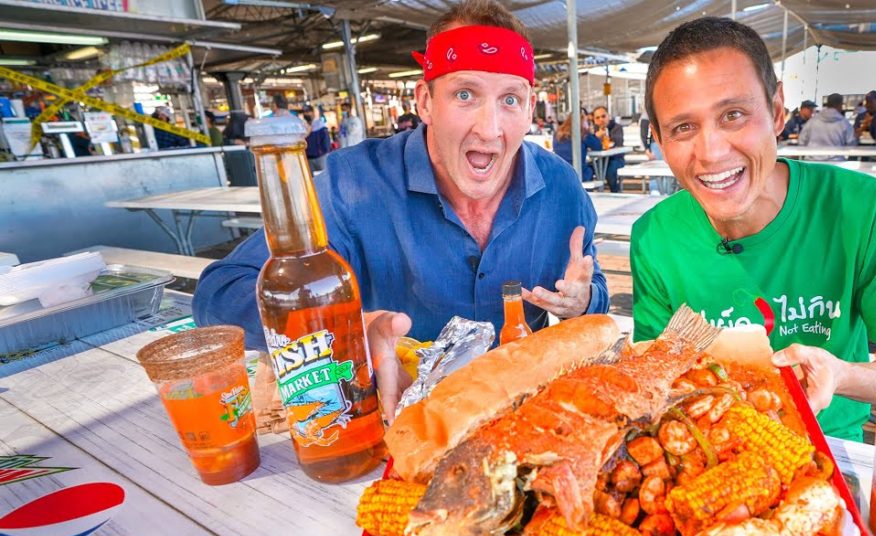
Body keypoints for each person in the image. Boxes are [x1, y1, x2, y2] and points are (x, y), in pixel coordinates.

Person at [193, 0, 609, 412]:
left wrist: (582, 301)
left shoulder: (561, 188)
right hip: (397, 420)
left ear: (531, 107)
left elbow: (595, 293)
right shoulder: (354, 184)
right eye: (465, 94)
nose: (490, 128)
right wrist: (348, 330)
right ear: (425, 101)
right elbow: (220, 293)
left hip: (526, 415)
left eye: (510, 100)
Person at [631, 17, 876, 442]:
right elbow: (655, 372)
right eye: (683, 128)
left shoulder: (863, 209)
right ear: (659, 139)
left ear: (777, 111)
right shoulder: (654, 235)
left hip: (829, 443)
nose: (711, 152)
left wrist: (841, 374)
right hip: (706, 447)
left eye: (733, 115)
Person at [798, 93, 857, 157]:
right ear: (840, 105)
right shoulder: (844, 123)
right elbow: (851, 144)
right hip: (835, 163)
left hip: (812, 162)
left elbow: (801, 141)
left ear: (827, 104)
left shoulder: (812, 122)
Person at [552, 110, 601, 181]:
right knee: (593, 168)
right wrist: (591, 133)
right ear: (582, 122)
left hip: (561, 174)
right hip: (579, 174)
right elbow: (598, 146)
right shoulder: (583, 133)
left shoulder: (557, 134)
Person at [591, 105, 625, 192]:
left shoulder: (616, 127)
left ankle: (615, 193)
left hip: (615, 158)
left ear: (608, 116)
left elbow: (617, 143)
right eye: (597, 118)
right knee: (587, 170)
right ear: (594, 120)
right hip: (598, 160)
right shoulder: (593, 131)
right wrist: (596, 137)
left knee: (610, 171)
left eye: (603, 116)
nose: (601, 120)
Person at [304, 106, 333, 172]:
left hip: (321, 157)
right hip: (309, 158)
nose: (306, 114)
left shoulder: (320, 125)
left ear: (313, 113)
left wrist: (324, 152)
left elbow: (326, 141)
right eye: (305, 112)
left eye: (308, 112)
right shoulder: (304, 126)